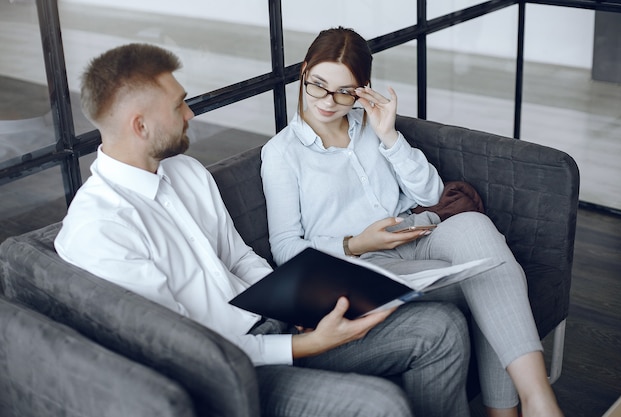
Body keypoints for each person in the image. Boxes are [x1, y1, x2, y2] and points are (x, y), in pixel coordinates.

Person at [54, 43, 472, 417]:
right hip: (232, 370)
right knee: (380, 406)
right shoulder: (100, 228)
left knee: (442, 329)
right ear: (140, 125)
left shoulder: (185, 172)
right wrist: (305, 344)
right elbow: (184, 347)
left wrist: (297, 307)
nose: (190, 113)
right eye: (179, 105)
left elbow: (238, 257)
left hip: (278, 325)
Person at [260, 27, 565, 417]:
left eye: (344, 91)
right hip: (358, 265)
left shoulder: (370, 125)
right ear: (303, 71)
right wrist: (357, 243)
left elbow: (429, 195)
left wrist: (388, 135)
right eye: (317, 85)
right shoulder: (282, 154)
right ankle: (518, 410)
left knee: (475, 229)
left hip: (416, 235)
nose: (328, 101)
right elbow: (285, 248)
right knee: (490, 273)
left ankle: (537, 398)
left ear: (362, 88)